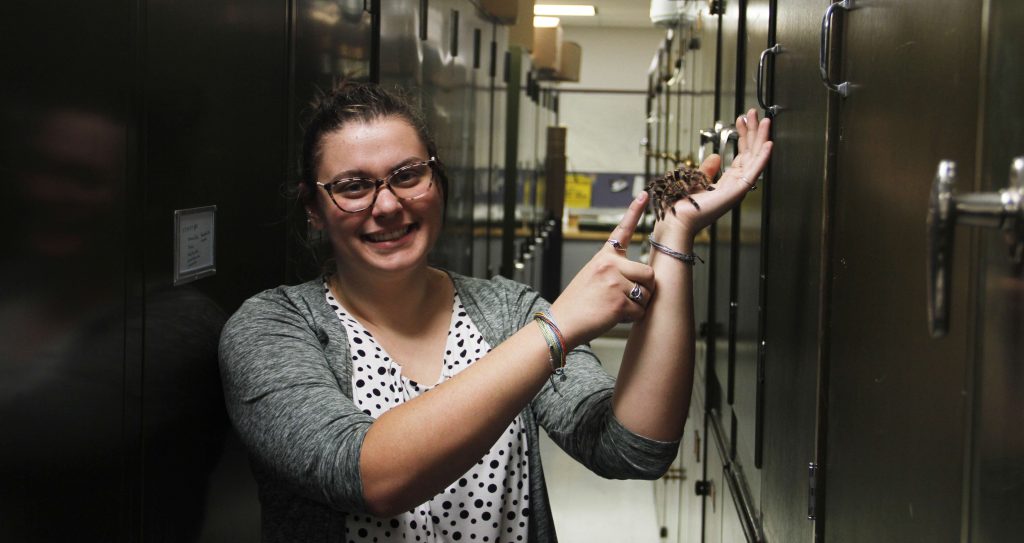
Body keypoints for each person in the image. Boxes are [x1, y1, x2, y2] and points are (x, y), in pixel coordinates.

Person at [218, 81, 773, 543]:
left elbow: (632, 448)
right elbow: (368, 476)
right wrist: (556, 329)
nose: (386, 205)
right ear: (314, 209)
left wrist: (674, 235)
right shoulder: (270, 329)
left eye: (408, 175)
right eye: (353, 186)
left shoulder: (508, 312)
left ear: (437, 182)